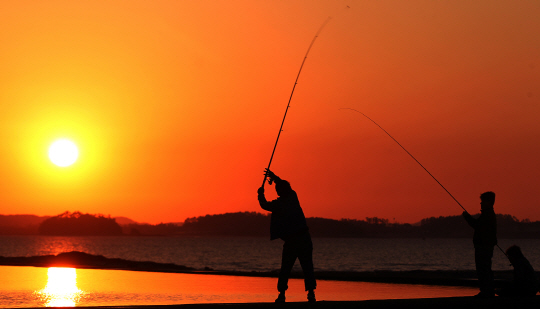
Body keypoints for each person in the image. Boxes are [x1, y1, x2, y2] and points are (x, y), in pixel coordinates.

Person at [257, 169, 316, 303]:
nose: (277, 191)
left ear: (279, 191)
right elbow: (283, 186)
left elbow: (264, 205)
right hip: (304, 238)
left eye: (277, 189)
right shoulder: (293, 197)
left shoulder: (279, 204)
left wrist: (261, 194)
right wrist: (274, 177)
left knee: (286, 268)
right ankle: (311, 293)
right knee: (307, 266)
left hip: (292, 241)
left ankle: (282, 294)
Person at [462, 191, 497, 298]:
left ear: (488, 202)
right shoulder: (488, 214)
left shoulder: (488, 215)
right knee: (485, 269)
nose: (480, 204)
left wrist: (467, 217)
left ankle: (486, 292)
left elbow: (477, 226)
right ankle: (488, 291)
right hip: (485, 245)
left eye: (482, 202)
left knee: (483, 269)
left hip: (483, 246)